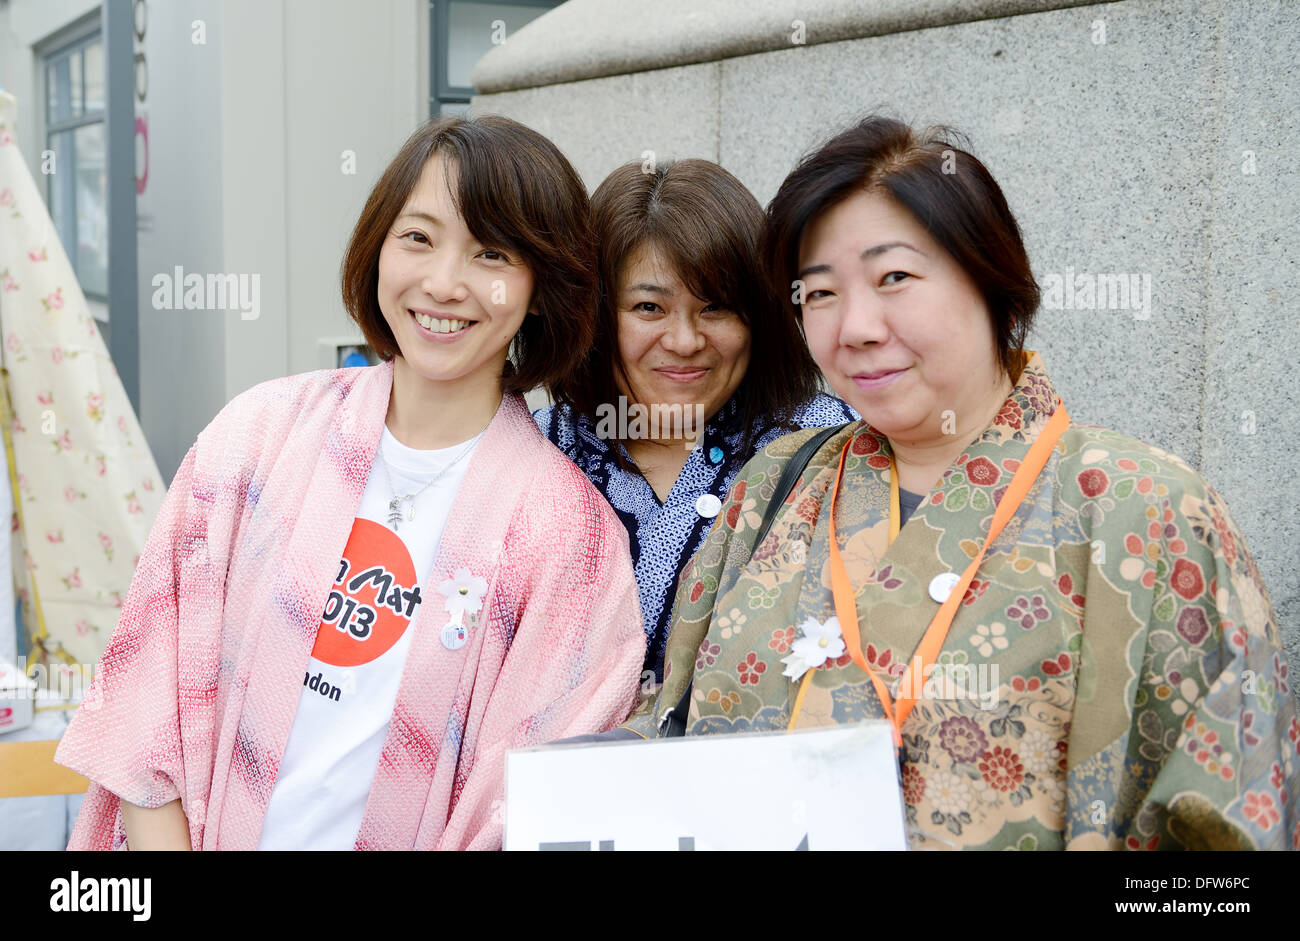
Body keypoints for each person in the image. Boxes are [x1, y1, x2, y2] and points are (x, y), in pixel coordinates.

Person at [627, 117, 1298, 850]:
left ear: (990, 279)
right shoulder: (774, 486)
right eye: (818, 293)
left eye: (895, 279)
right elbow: (668, 732)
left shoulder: (1145, 509)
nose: (854, 327)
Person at [54, 115, 647, 851]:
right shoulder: (259, 437)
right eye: (418, 237)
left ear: (541, 287)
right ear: (377, 248)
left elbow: (535, 811)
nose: (443, 283)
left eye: (492, 252)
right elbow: (147, 716)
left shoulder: (571, 537)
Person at [535, 159, 856, 683]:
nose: (685, 341)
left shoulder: (829, 447)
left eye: (716, 308)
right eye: (648, 308)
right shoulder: (537, 451)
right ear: (592, 315)